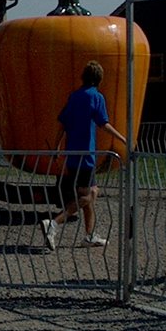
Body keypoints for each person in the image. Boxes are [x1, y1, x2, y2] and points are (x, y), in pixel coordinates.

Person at [40, 60, 126, 251]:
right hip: (86, 154)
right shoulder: (96, 97)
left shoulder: (74, 96)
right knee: (86, 196)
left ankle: (89, 235)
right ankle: (54, 223)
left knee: (92, 192)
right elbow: (103, 123)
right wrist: (122, 138)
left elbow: (62, 123)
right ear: (99, 79)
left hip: (72, 154)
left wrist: (55, 147)